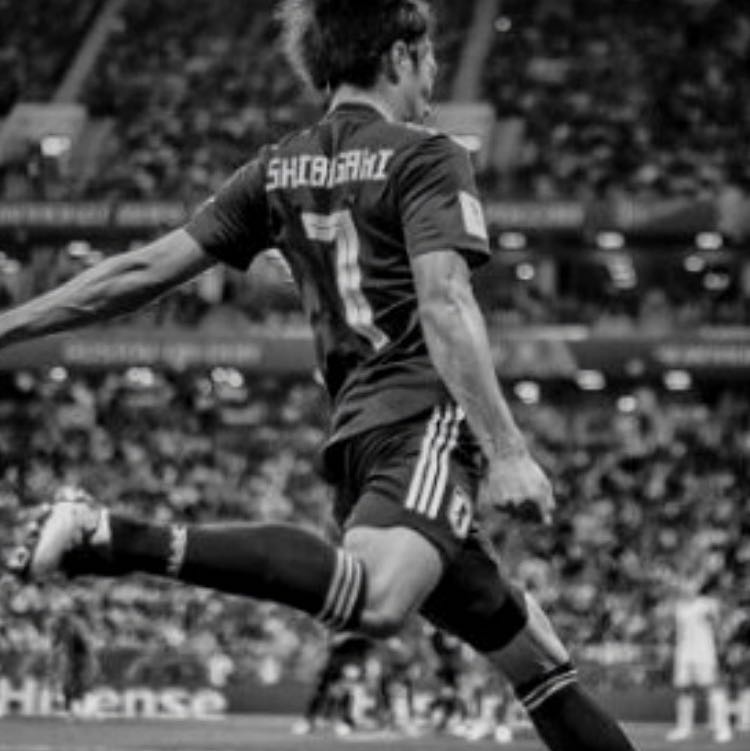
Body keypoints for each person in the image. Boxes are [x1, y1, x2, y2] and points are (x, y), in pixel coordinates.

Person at [0, 2, 637, 749]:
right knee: (378, 600)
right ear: (399, 55)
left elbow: (139, 272)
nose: (433, 74)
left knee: (539, 661)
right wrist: (507, 451)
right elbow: (444, 298)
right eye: (429, 57)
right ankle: (110, 535)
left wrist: (8, 325)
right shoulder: (426, 154)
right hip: (421, 419)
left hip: (358, 440)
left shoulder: (278, 168)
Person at [667, 577, 733, 743]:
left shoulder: (706, 605)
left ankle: (723, 728)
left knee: (713, 687)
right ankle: (684, 728)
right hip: (684, 655)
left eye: (690, 583)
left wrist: (721, 646)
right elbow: (678, 632)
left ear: (697, 586)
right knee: (684, 690)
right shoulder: (679, 607)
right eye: (684, 583)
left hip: (704, 654)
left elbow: (719, 625)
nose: (687, 587)